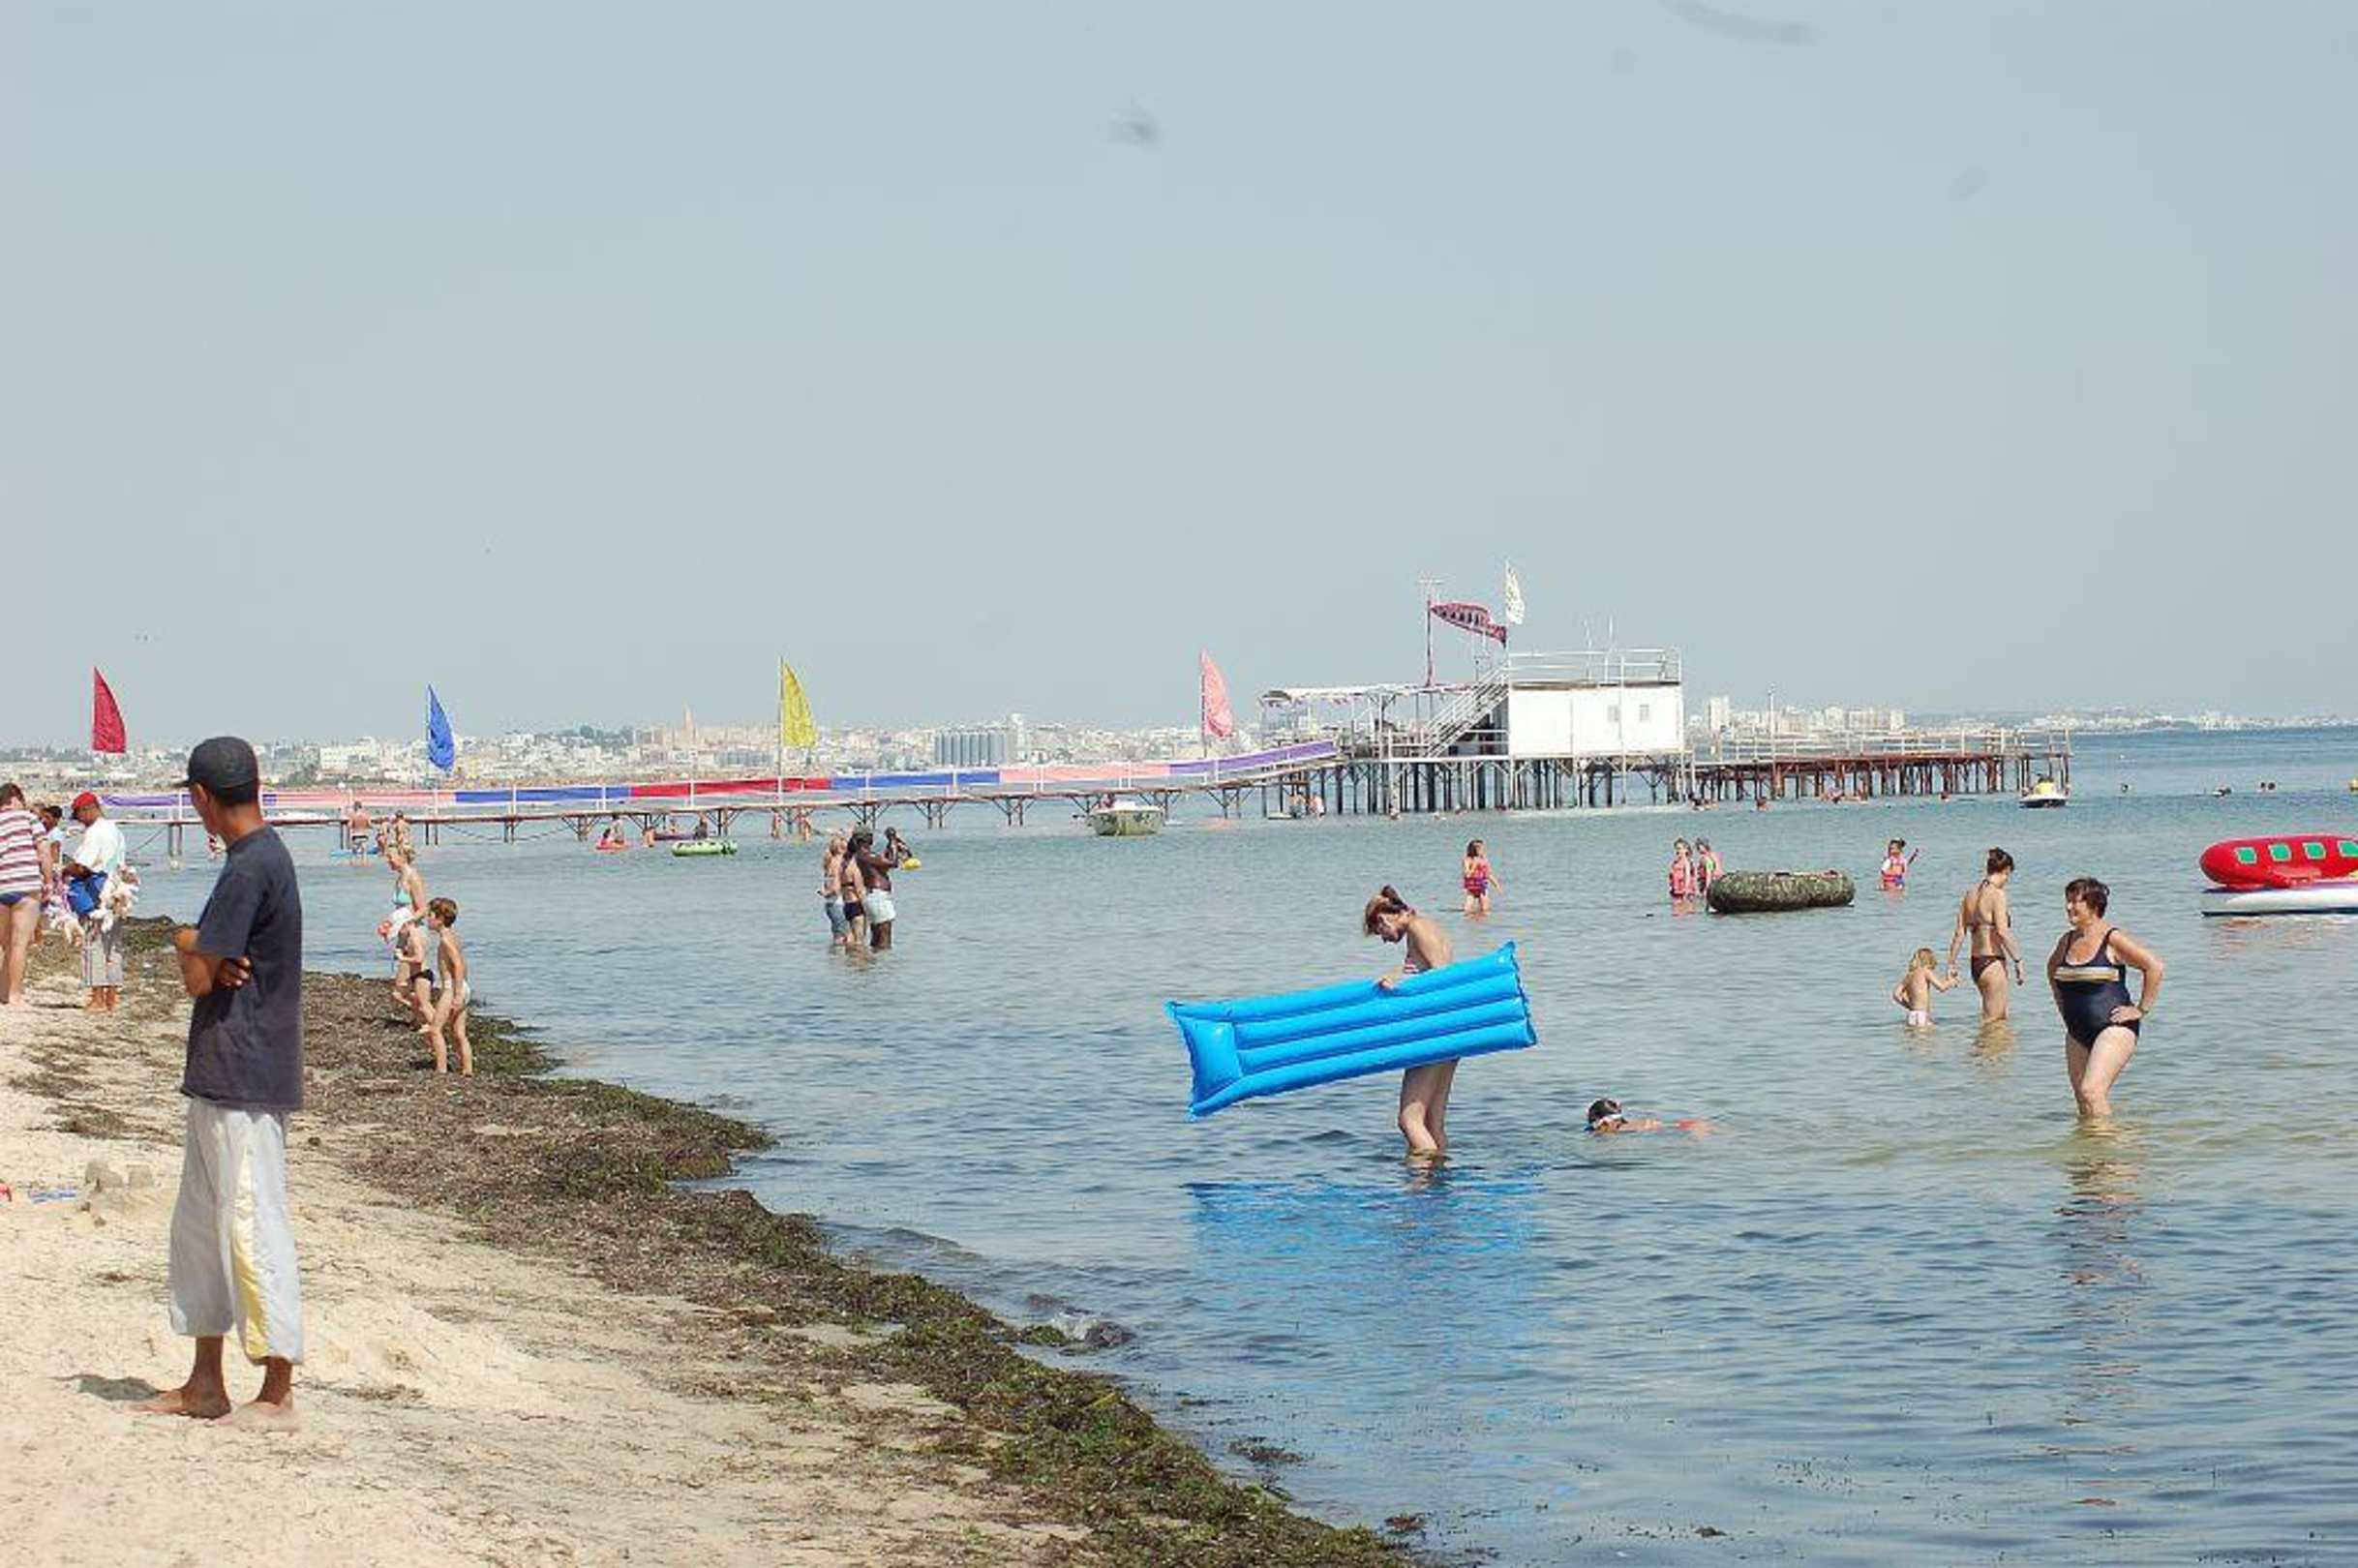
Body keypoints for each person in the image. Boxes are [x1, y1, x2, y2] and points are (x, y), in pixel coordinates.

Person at [138, 737, 305, 1430]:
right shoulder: (258, 859)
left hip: (245, 1071)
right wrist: (204, 947)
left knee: (251, 1225)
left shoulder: (250, 866)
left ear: (201, 797)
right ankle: (205, 1381)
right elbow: (213, 964)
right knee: (202, 1233)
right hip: (224, 1070)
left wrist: (188, 941)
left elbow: (200, 977)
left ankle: (278, 1392)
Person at [2046, 877, 2163, 1120]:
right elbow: (2052, 970)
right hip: (2077, 1032)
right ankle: (2097, 1146)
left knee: (2092, 1092)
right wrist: (2063, 1009)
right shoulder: (2067, 940)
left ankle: (2108, 1145)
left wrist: (2141, 1009)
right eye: (2067, 901)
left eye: (2075, 901)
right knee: (2082, 1099)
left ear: (2094, 905)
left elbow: (2154, 966)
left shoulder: (2111, 938)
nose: (2068, 907)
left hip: (2114, 1028)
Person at [1364, 885, 1458, 1160]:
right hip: (1448, 1032)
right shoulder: (1426, 926)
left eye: (1379, 932)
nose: (1383, 940)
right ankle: (1439, 1179)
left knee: (1409, 1120)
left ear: (1384, 919)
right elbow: (1424, 970)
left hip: (1433, 1032)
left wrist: (1401, 986)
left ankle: (1421, 1182)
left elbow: (1442, 979)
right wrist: (1396, 978)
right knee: (1431, 1122)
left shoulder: (1418, 929)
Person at [64, 791, 128, 1012]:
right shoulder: (115, 830)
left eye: (79, 815)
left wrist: (65, 870)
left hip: (96, 893)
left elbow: (83, 867)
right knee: (113, 946)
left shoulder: (94, 833)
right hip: (118, 891)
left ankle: (97, 999)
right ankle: (112, 998)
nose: (79, 820)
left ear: (88, 809)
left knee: (93, 943)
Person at [1948, 848, 2024, 1020]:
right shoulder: (1997, 894)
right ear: (2006, 870)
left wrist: (1951, 963)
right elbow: (2003, 932)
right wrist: (2018, 961)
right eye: (2009, 875)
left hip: (1976, 963)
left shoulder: (1970, 895)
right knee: (1995, 1023)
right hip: (1992, 962)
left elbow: (1959, 933)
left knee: (1997, 1020)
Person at [0, 783, 46, 1008]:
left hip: (1, 885)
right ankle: (15, 995)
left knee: (6, 944)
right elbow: (44, 852)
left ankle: (3, 991)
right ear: (16, 798)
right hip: (25, 885)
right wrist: (49, 881)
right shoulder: (29, 819)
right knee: (19, 944)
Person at [424, 897, 472, 1076]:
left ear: (440, 919)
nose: (427, 919)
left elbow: (458, 965)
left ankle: (441, 1069)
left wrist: (457, 994)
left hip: (452, 988)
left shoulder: (445, 939)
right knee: (459, 1033)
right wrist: (464, 988)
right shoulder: (453, 936)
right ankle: (467, 1069)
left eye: (430, 915)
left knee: (435, 1029)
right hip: (462, 986)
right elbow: (463, 964)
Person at [851, 828, 898, 950]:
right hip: (878, 896)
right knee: (884, 935)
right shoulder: (865, 855)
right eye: (870, 836)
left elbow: (884, 864)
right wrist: (893, 840)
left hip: (874, 896)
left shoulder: (863, 855)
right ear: (866, 839)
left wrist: (890, 846)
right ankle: (884, 960)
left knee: (877, 935)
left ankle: (875, 960)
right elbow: (893, 863)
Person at [1890, 947, 1958, 1027]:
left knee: (1913, 1035)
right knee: (1928, 1034)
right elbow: (1941, 987)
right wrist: (1951, 982)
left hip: (1911, 1015)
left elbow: (1896, 994)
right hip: (1922, 1014)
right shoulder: (1926, 972)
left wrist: (1908, 1005)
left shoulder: (1910, 975)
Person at [1585, 1098, 1710, 1135]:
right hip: (1685, 1126)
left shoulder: (1621, 1129)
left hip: (1686, 1127)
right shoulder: (1627, 1126)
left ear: (1604, 1122)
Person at [820, 832, 850, 947]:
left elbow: (829, 883)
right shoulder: (839, 863)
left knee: (837, 934)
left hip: (830, 904)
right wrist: (827, 893)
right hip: (838, 903)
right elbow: (836, 888)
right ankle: (840, 957)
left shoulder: (829, 862)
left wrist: (826, 893)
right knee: (842, 937)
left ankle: (833, 955)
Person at [1462, 838, 1496, 917]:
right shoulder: (1467, 860)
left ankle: (1481, 921)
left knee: (1485, 910)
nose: (1483, 851)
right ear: (1475, 850)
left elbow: (1488, 874)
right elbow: (1467, 874)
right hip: (1471, 886)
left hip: (1482, 886)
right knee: (1467, 910)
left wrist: (1496, 884)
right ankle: (1470, 920)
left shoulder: (1484, 859)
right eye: (1481, 849)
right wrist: (1474, 865)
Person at [1669, 838, 1696, 905]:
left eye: (1680, 848)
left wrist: (1686, 890)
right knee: (1675, 909)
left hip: (1684, 892)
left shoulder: (1686, 862)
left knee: (1685, 908)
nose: (1678, 851)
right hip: (1675, 890)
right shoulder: (1676, 862)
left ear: (1686, 850)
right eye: (1676, 849)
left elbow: (1687, 876)